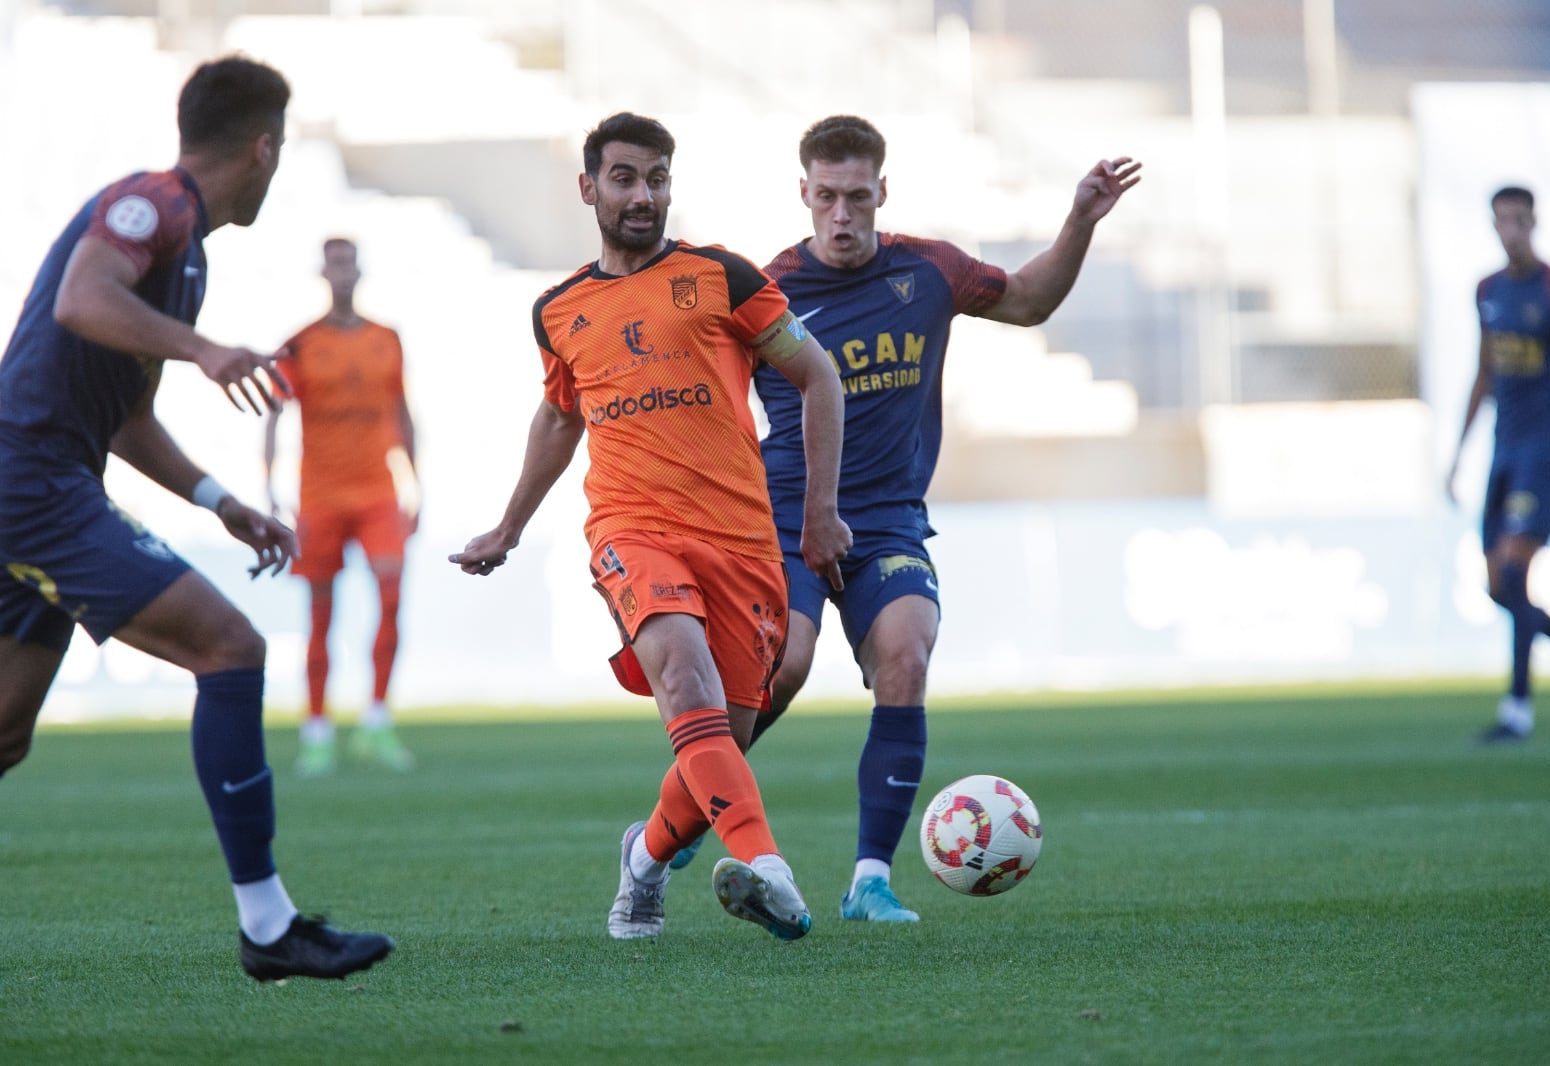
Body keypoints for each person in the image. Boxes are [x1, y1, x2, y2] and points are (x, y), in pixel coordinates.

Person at [675, 115, 1140, 923]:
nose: (844, 215)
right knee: (781, 668)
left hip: (888, 521)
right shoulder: (768, 289)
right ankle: (681, 813)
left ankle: (870, 881)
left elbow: (1028, 303)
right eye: (827, 198)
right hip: (784, 519)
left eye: (858, 196)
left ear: (882, 191)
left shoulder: (929, 271)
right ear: (804, 195)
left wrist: (1078, 221)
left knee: (906, 655)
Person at [0, 55, 393, 981]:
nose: (280, 164)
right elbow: (80, 299)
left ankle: (270, 928)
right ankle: (268, 926)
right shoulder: (154, 204)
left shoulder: (188, 258)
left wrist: (223, 503)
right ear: (263, 147)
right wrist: (206, 348)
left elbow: (128, 417)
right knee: (231, 648)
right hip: (32, 483)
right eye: (282, 149)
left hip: (44, 483)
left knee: (7, 732)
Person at [450, 111, 851, 942]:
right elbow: (561, 419)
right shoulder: (558, 310)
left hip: (742, 543)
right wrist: (508, 528)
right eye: (626, 178)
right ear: (589, 187)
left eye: (658, 178)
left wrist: (819, 518)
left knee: (720, 745)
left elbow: (819, 379)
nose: (644, 195)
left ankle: (642, 862)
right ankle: (770, 869)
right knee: (681, 675)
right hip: (632, 529)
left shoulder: (723, 278)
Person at [1445, 184, 1550, 743]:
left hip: (1547, 450)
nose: (1509, 230)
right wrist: (1458, 455)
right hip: (1503, 450)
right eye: (1500, 221)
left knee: (1515, 571)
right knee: (1496, 586)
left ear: (1533, 222)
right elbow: (1483, 373)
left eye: (1518, 220)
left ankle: (1517, 710)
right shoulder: (1486, 291)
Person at [265, 237, 418, 776]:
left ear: (361, 270)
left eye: (349, 262)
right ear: (323, 272)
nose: (343, 272)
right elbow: (274, 412)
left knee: (392, 593)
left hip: (378, 493)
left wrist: (414, 483)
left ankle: (376, 719)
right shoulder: (301, 343)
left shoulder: (387, 339)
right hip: (320, 497)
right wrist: (269, 487)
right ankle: (316, 729)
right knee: (321, 614)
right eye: (334, 263)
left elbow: (402, 411)